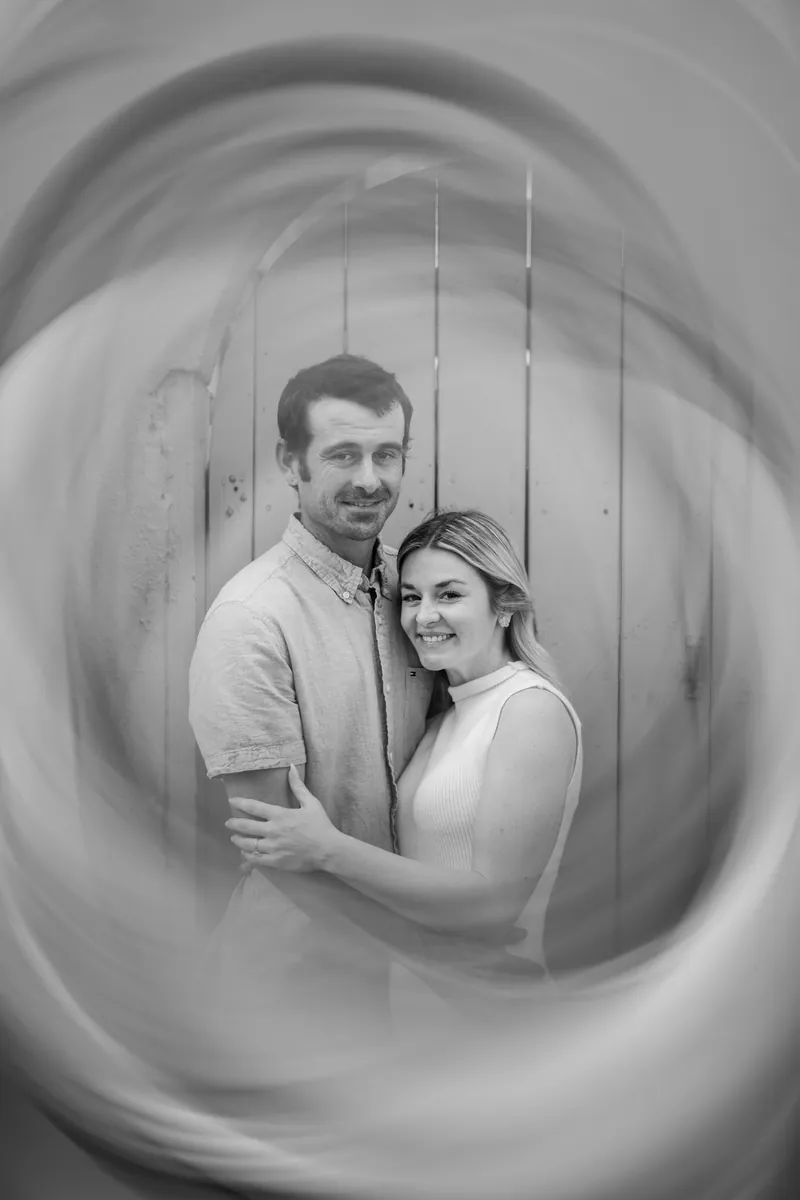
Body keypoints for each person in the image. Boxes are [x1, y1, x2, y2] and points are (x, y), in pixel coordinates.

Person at [188, 352, 439, 1051]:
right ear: (288, 461)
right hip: (289, 1001)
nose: (370, 479)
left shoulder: (420, 596)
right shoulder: (250, 620)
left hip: (411, 1001)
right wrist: (442, 952)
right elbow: (282, 852)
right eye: (343, 455)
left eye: (387, 454)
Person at [225, 508, 583, 982]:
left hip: (490, 1013)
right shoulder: (447, 719)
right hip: (420, 1002)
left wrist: (328, 848)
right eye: (411, 597)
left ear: (504, 605)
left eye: (449, 594)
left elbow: (495, 904)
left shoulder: (528, 709)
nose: (424, 615)